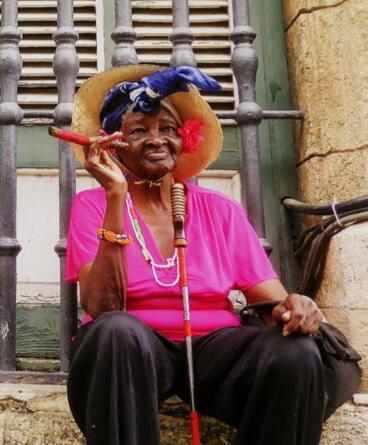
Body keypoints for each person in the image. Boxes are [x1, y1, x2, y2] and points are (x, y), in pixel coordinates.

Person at [64, 65, 356, 445]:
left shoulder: (220, 209)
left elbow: (271, 302)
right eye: (138, 131)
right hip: (131, 356)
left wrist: (295, 308)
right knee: (116, 332)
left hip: (214, 352)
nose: (157, 140)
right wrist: (116, 195)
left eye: (168, 129)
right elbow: (102, 306)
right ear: (111, 144)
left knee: (294, 352)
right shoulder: (94, 205)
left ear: (185, 139)